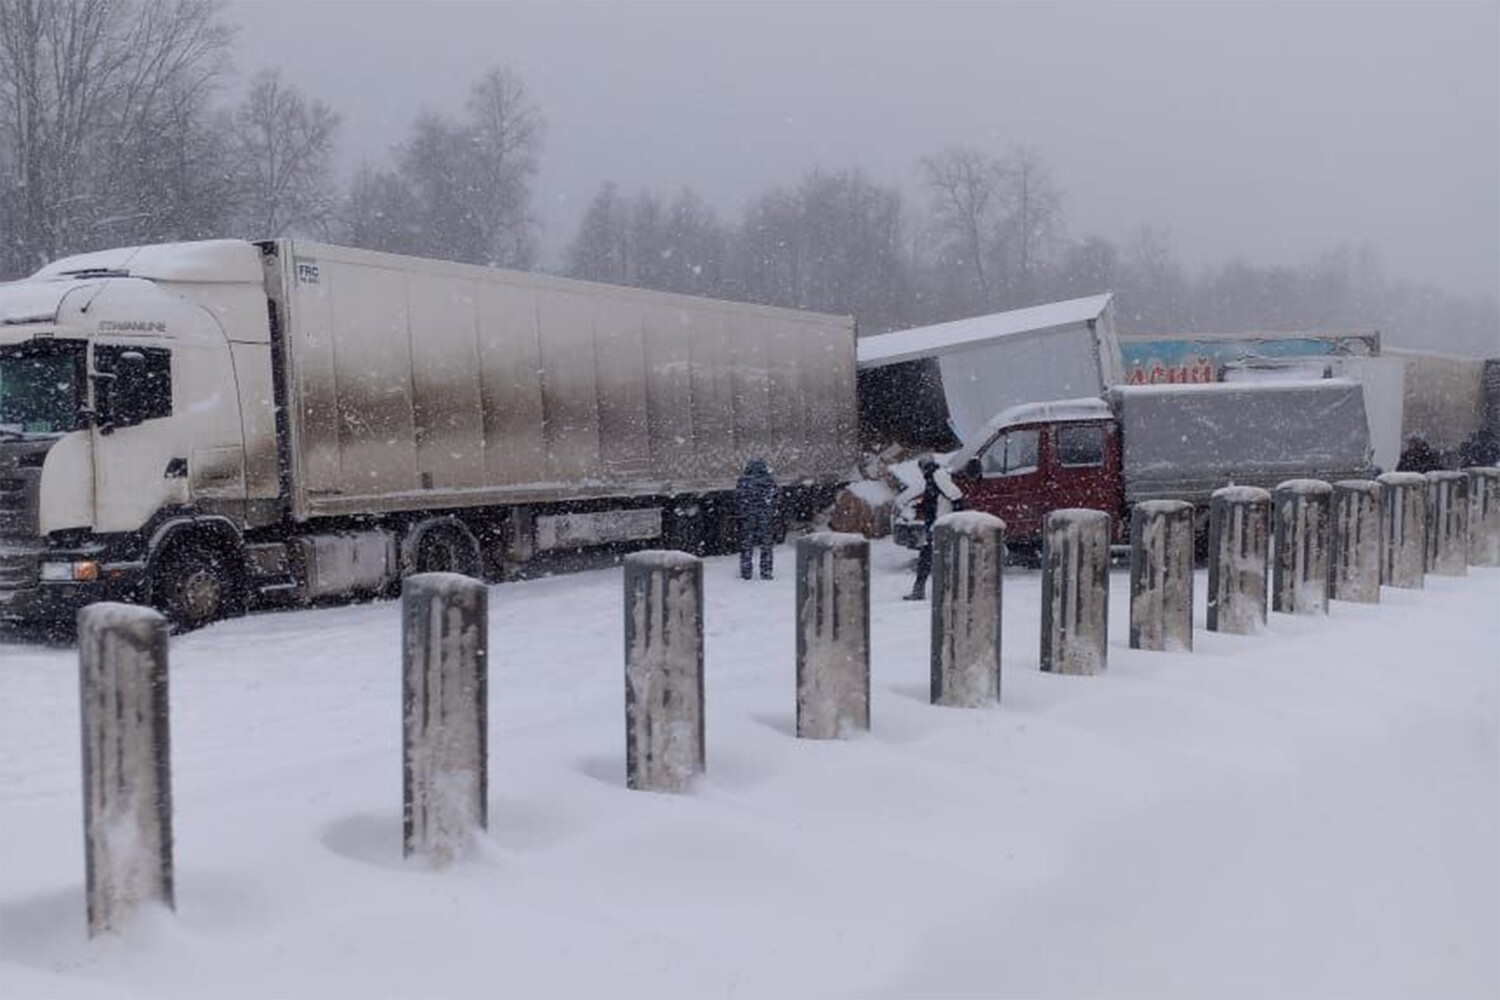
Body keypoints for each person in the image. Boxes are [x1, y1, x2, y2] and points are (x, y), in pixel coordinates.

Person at [905, 454, 964, 601]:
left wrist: (955, 519)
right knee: (936, 558)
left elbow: (956, 495)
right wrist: (921, 505)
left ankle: (922, 591)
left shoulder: (938, 476)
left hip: (940, 524)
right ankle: (943, 590)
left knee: (928, 557)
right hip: (935, 524)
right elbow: (935, 498)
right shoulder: (933, 477)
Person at [736, 457, 780, 580]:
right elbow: (774, 498)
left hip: (748, 517)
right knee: (766, 545)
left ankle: (746, 572)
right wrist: (770, 512)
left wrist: (744, 512)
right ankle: (766, 572)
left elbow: (738, 498)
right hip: (764, 516)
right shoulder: (768, 481)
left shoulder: (743, 480)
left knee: (747, 544)